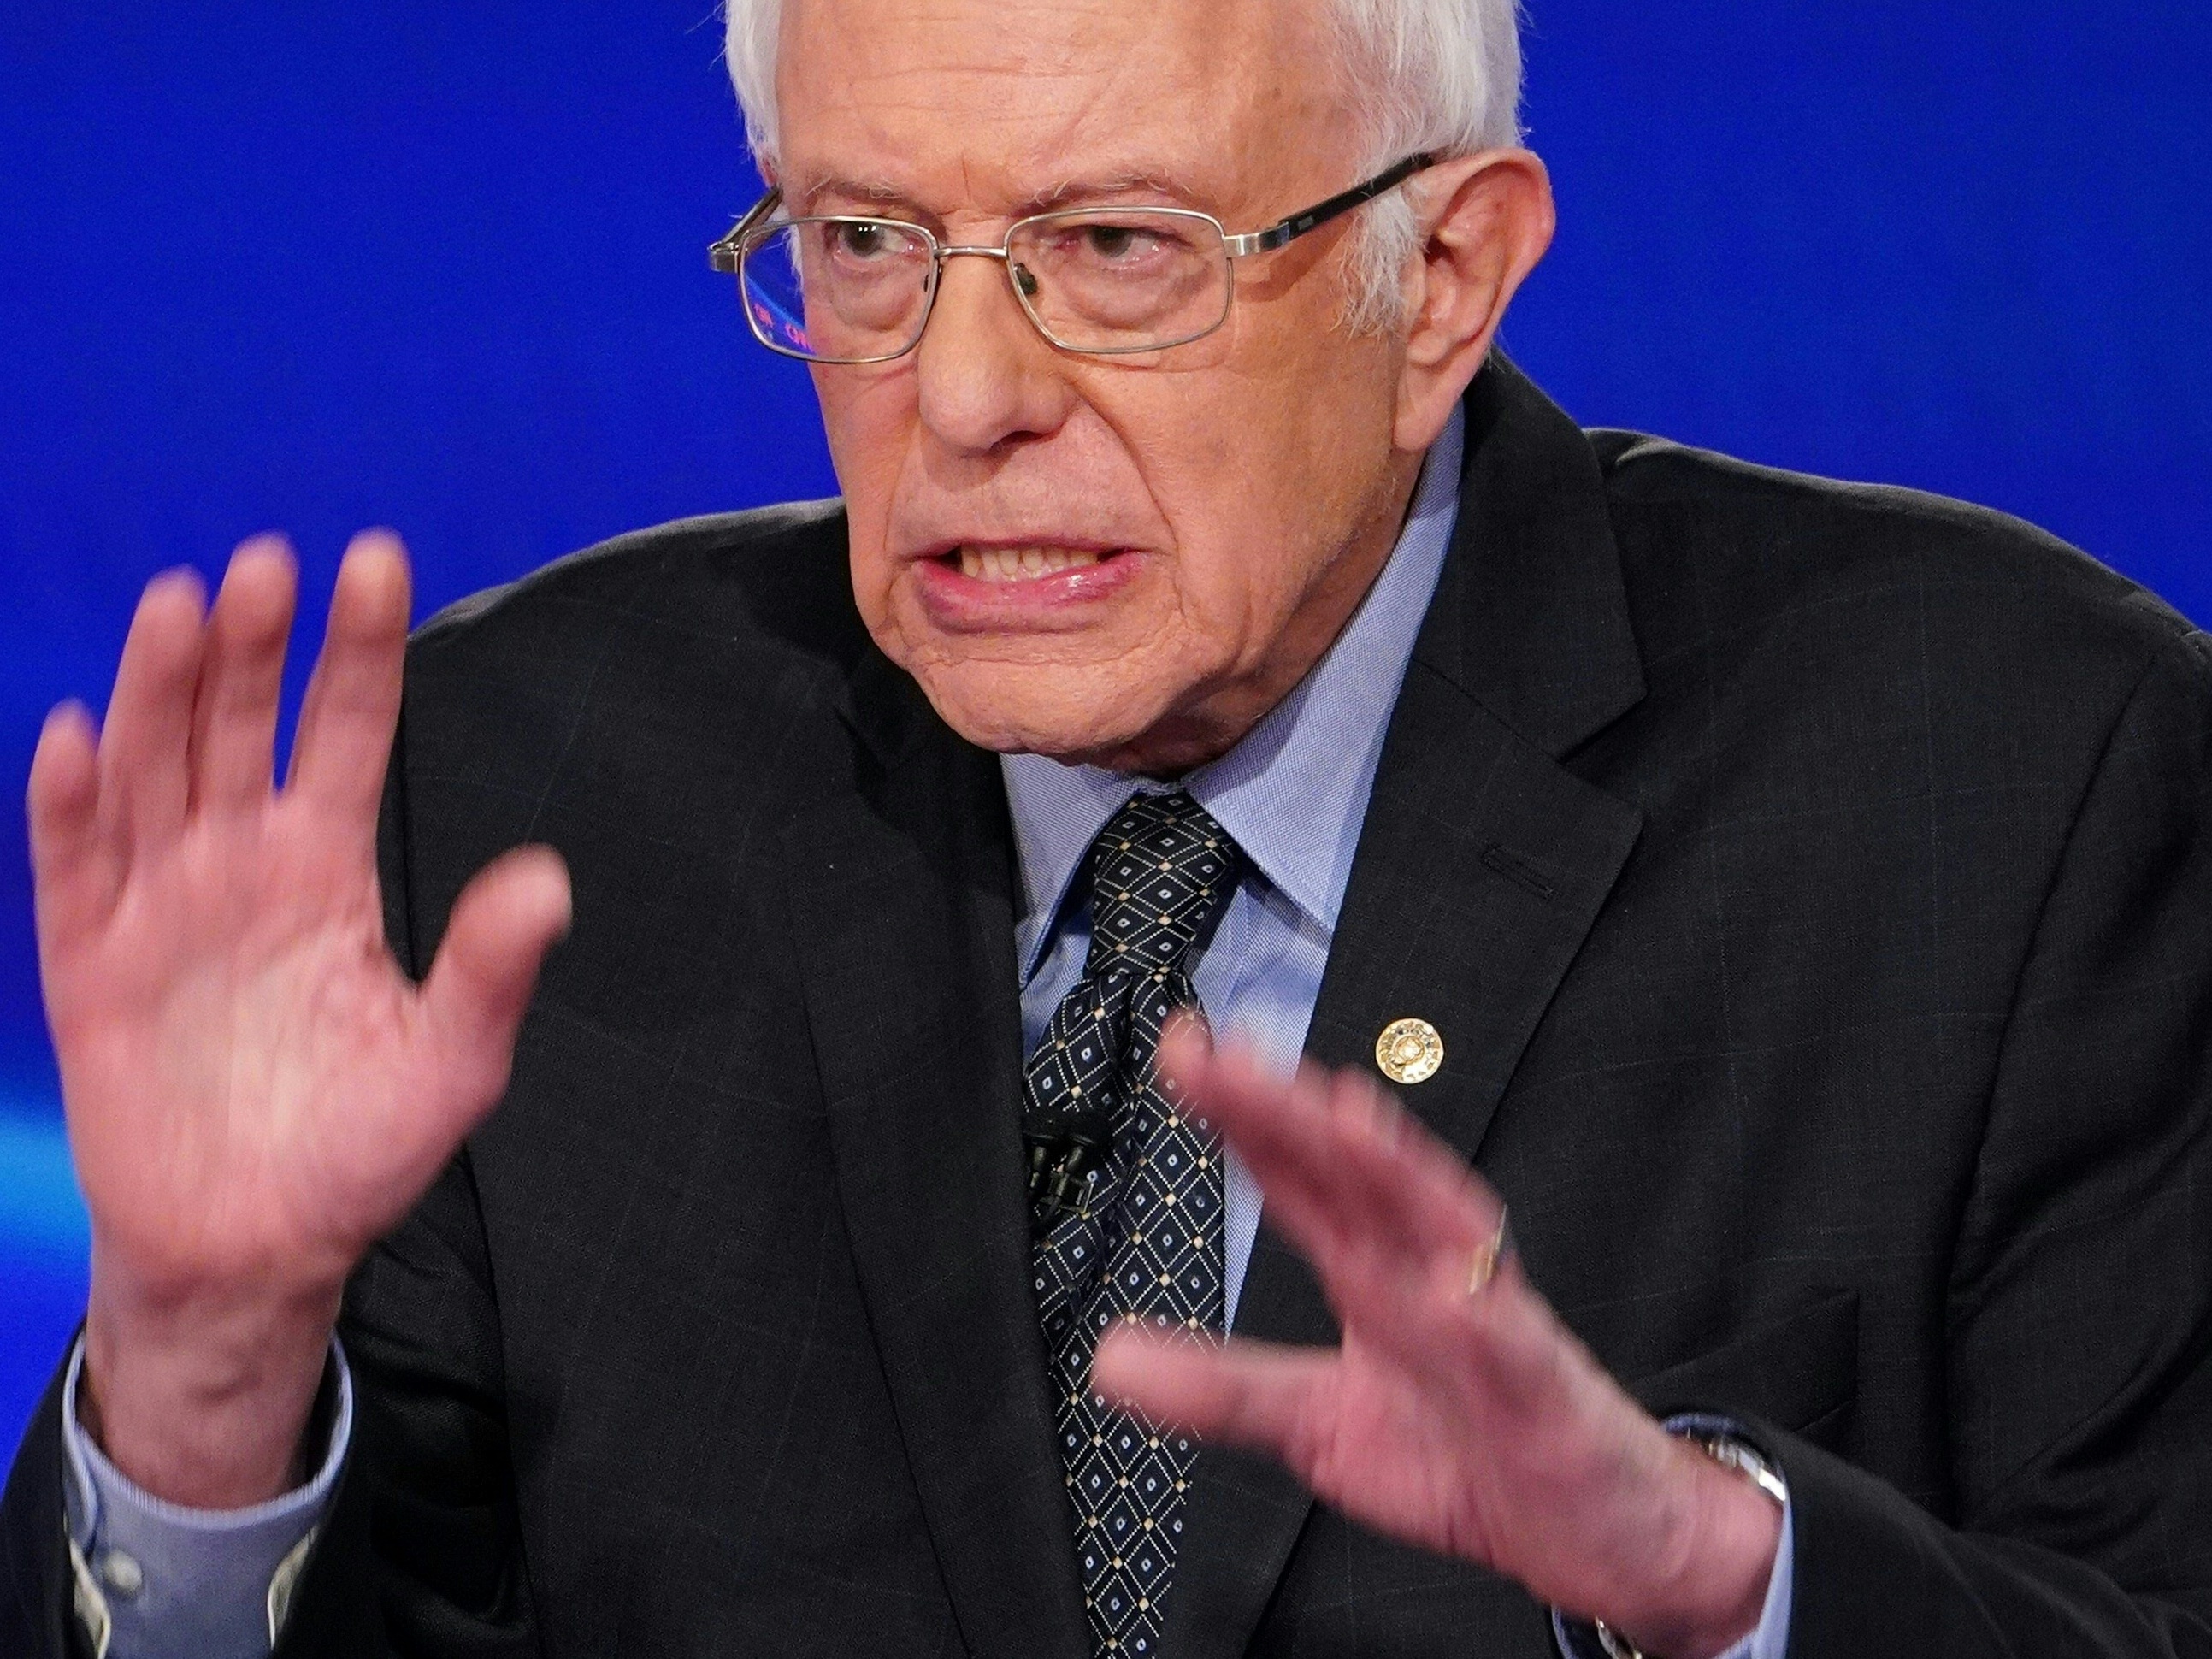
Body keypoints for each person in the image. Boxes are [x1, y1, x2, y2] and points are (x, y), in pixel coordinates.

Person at [5, 0, 2211, 1653]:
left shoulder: (2009, 779)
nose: (965, 397)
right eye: (867, 244)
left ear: (1441, 280)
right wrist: (201, 1392)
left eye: (1119, 246)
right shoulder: (527, 811)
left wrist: (1717, 1579)